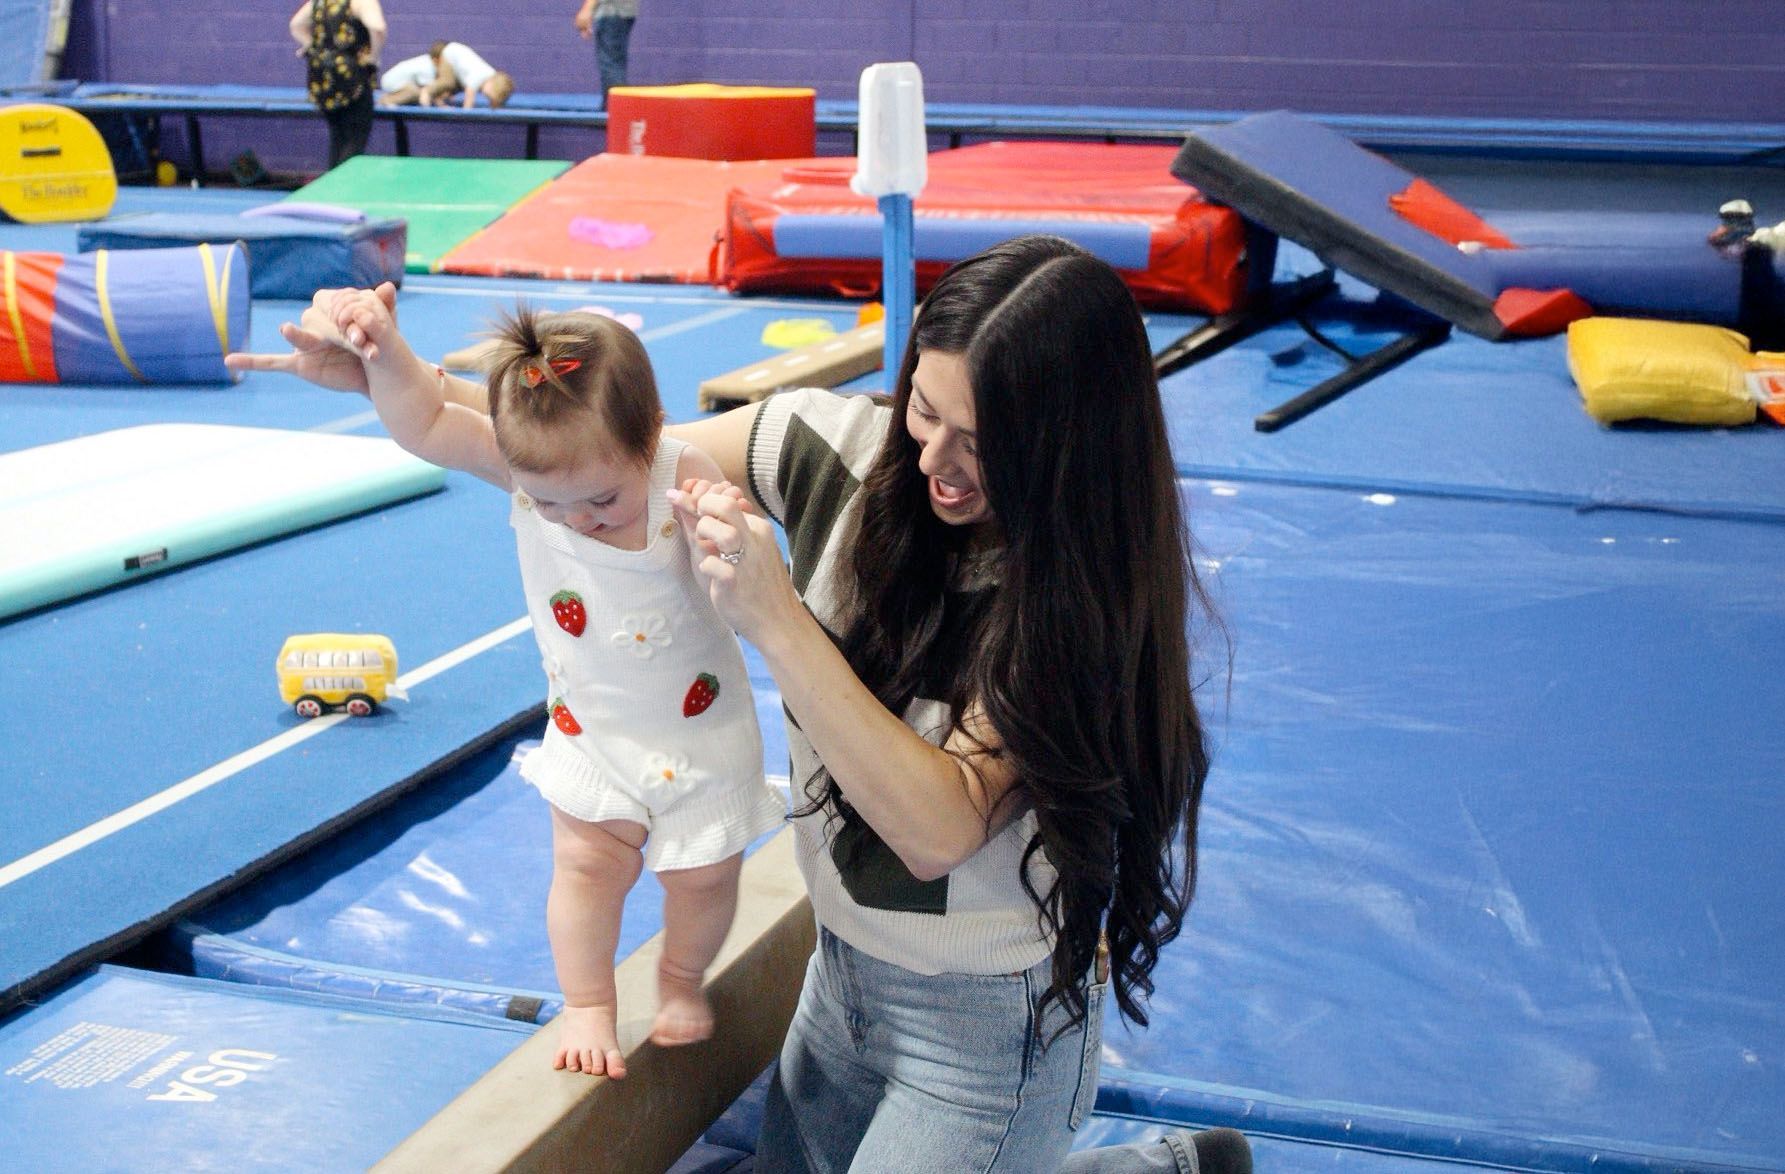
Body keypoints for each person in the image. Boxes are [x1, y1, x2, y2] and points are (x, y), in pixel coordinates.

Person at [226, 235, 1250, 1171]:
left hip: (984, 1031)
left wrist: (777, 619)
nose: (934, 461)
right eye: (925, 411)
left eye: (980, 443)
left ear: (1065, 443)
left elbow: (937, 827)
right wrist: (390, 377)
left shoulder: (1072, 603)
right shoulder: (828, 449)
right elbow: (594, 465)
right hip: (843, 981)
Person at [310, 289, 785, 1079]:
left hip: (698, 729)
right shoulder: (532, 476)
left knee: (703, 877)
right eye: (550, 503)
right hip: (592, 729)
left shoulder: (686, 472)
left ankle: (678, 978)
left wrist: (726, 536)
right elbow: (424, 421)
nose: (578, 520)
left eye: (601, 498)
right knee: (586, 868)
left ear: (652, 437)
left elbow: (741, 581)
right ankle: (589, 1000)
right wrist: (384, 352)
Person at [290, 0, 385, 167]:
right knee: (354, 137)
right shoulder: (362, 2)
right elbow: (378, 29)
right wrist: (373, 57)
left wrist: (311, 45)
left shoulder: (320, 2)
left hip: (321, 76)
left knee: (337, 135)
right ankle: (343, 188)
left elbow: (296, 25)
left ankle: (331, 184)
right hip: (351, 75)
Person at [573, 0, 637, 108]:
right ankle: (616, 109)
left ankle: (617, 111)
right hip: (622, 11)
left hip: (612, 12)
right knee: (615, 64)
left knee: (611, 65)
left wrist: (587, 8)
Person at [419, 40, 515, 109]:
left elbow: (496, 95)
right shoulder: (481, 75)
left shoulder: (492, 76)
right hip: (450, 55)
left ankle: (439, 100)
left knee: (452, 89)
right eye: (489, 96)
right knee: (447, 82)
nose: (487, 97)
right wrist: (466, 111)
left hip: (459, 72)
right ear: (492, 84)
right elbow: (469, 93)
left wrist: (494, 104)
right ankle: (426, 91)